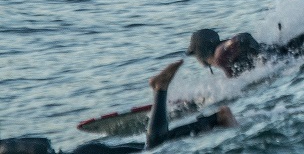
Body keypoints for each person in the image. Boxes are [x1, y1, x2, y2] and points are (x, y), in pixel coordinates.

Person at [0, 61, 235, 154]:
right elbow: (45, 143)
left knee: (154, 148)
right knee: (150, 147)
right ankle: (216, 120)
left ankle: (160, 89)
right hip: (85, 151)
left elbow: (42, 146)